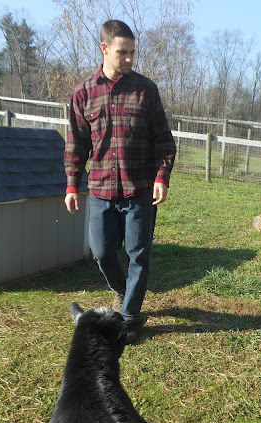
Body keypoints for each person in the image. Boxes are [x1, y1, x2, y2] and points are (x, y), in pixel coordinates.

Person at [63, 19, 176, 342]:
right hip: (100, 190)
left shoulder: (145, 91)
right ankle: (122, 289)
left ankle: (128, 318)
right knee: (101, 252)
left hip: (139, 190)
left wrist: (162, 177)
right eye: (122, 52)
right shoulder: (83, 94)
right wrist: (72, 184)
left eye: (132, 53)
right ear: (104, 48)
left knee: (138, 254)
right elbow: (76, 145)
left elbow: (164, 141)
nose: (129, 58)